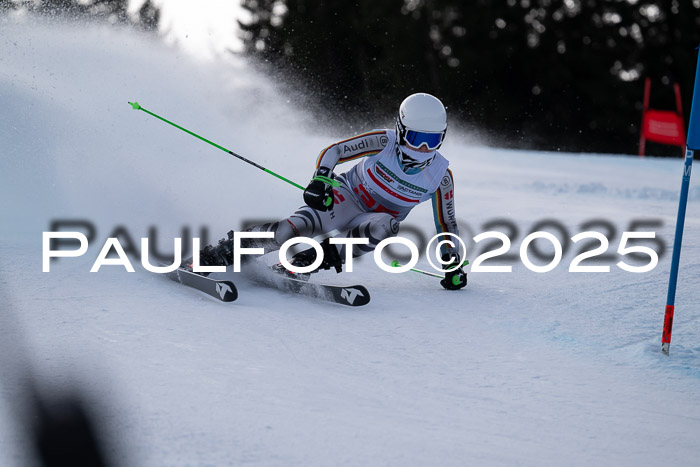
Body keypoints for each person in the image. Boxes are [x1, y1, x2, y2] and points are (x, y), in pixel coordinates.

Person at [196, 93, 467, 290]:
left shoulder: (440, 178)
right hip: (346, 197)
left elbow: (447, 222)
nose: (423, 149)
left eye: (433, 141)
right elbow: (335, 151)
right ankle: (220, 254)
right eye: (417, 139)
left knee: (387, 225)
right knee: (291, 230)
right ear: (401, 129)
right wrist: (321, 180)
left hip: (372, 220)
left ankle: (304, 263)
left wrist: (452, 257)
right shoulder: (385, 141)